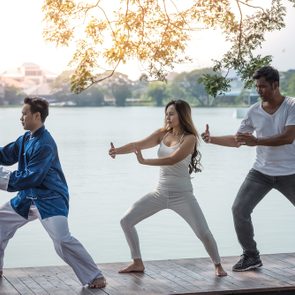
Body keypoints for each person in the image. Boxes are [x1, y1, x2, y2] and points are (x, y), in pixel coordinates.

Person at [108, 99, 227, 277]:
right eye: (166, 113)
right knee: (126, 221)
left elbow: (173, 159)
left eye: (171, 113)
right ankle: (137, 262)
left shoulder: (190, 139)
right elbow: (137, 145)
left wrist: (144, 161)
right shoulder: (162, 134)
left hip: (183, 195)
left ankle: (218, 265)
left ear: (182, 115)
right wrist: (117, 150)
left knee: (203, 232)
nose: (167, 117)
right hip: (160, 193)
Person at [0, 97, 106, 288]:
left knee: (62, 241)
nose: (21, 117)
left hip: (50, 199)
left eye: (24, 114)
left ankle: (95, 276)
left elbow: (31, 177)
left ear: (37, 116)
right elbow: (5, 155)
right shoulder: (25, 139)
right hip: (26, 199)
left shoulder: (45, 144)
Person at [201, 65, 295, 272]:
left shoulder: (291, 106)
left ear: (275, 85)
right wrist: (211, 139)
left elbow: (289, 137)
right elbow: (239, 140)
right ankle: (251, 256)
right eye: (257, 87)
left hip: (291, 172)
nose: (259, 91)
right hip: (261, 172)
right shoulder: (254, 111)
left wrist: (257, 141)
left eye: (263, 87)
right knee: (239, 210)